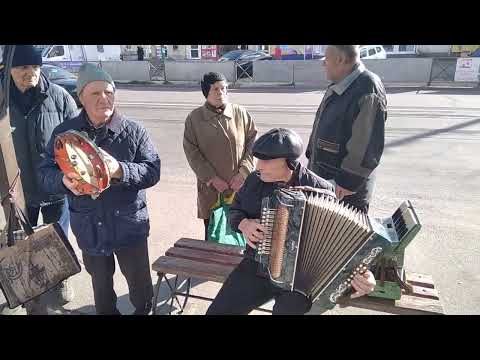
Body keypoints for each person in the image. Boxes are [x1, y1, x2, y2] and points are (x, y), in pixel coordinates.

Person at [206, 128, 377, 315]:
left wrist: (363, 273)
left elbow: (344, 241)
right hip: (257, 265)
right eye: (258, 160)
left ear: (289, 162)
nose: (258, 167)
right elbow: (235, 210)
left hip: (300, 281)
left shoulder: (320, 191)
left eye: (265, 161)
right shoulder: (255, 181)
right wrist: (243, 224)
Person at [37, 63, 161, 315]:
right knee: (102, 291)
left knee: (140, 289)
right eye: (96, 93)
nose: (104, 98)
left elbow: (152, 170)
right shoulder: (65, 133)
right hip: (90, 226)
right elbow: (44, 172)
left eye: (109, 92)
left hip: (129, 227)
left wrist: (120, 170)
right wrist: (63, 181)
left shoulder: (134, 131)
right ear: (81, 97)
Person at [3, 45, 78, 314]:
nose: (30, 73)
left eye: (35, 67)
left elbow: (78, 141)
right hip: (17, 192)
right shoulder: (1, 101)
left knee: (58, 239)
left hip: (56, 188)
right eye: (23, 67)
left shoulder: (58, 97)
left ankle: (60, 280)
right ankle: (30, 297)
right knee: (23, 247)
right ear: (9, 70)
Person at [306, 45, 387, 213]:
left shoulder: (367, 88)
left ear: (341, 60)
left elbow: (367, 145)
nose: (323, 65)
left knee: (340, 238)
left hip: (343, 191)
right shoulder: (340, 85)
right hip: (327, 181)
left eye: (326, 60)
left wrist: (347, 181)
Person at [183, 72, 257, 241]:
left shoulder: (240, 113)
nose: (220, 93)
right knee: (214, 236)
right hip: (211, 191)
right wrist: (212, 179)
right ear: (205, 92)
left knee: (243, 236)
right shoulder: (195, 119)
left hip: (240, 188)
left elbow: (253, 144)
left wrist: (244, 173)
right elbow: (191, 152)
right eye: (215, 89)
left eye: (223, 88)